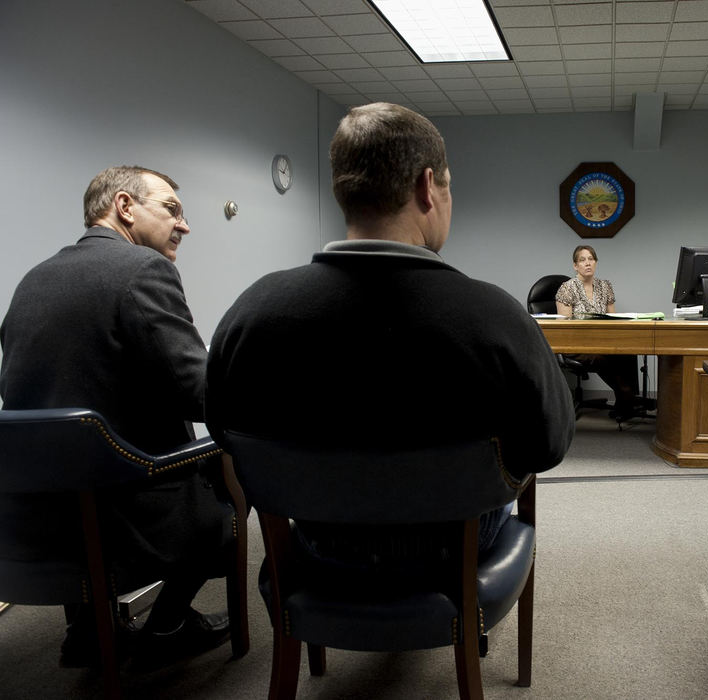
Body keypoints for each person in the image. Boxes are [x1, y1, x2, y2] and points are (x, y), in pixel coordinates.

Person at [206, 102, 574, 573]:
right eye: (448, 185)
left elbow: (223, 429)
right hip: (453, 547)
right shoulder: (495, 316)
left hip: (321, 538)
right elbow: (548, 446)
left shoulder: (252, 311)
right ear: (427, 187)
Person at [0, 166, 233, 668]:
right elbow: (201, 395)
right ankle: (168, 624)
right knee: (242, 463)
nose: (185, 225)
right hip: (129, 519)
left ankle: (87, 628)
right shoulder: (143, 270)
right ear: (125, 207)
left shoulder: (32, 280)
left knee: (80, 455)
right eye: (172, 209)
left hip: (36, 520)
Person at [554, 245, 640, 420]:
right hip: (575, 345)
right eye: (582, 260)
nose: (587, 263)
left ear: (596, 262)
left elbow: (612, 320)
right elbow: (564, 328)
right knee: (602, 358)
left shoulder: (605, 286)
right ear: (575, 265)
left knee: (629, 352)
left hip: (602, 341)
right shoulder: (567, 288)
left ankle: (627, 401)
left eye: (591, 259)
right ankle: (627, 396)